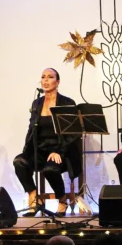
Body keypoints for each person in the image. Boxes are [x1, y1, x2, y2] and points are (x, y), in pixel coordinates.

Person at [13, 68, 82, 217]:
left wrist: (59, 151)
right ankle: (33, 195)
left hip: (61, 150)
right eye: (43, 77)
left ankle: (62, 199)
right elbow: (31, 129)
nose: (46, 80)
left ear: (57, 82)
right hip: (40, 150)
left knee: (49, 169)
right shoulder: (37, 103)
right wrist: (27, 152)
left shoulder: (67, 102)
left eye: (50, 77)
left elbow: (74, 133)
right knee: (19, 162)